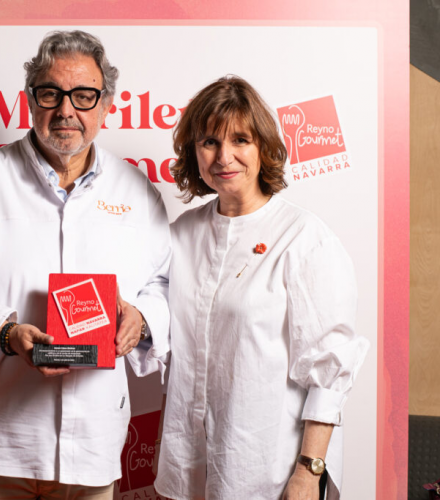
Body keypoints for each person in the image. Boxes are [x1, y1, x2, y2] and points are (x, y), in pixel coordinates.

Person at [0, 30, 171, 498]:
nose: (67, 110)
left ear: (105, 105)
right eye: (51, 93)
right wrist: (5, 334)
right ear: (29, 100)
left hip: (92, 450)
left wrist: (142, 318)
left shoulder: (137, 191)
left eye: (84, 96)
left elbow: (162, 282)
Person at [152, 76, 369, 500]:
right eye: (209, 141)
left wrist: (309, 472)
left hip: (267, 472)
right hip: (187, 467)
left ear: (263, 147)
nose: (224, 156)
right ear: (193, 152)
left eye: (241, 140)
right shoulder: (181, 235)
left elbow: (329, 369)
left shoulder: (304, 238)